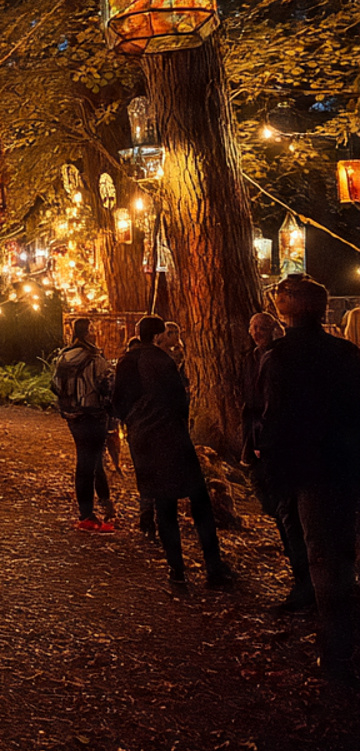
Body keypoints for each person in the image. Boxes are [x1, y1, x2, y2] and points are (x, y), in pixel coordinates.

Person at [259, 275, 360, 683]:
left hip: (309, 469)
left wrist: (271, 472)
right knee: (343, 550)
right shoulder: (346, 353)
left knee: (321, 554)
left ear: (288, 307)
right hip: (346, 465)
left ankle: (336, 651)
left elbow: (274, 419)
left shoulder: (279, 357)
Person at [112, 315, 233, 594]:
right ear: (157, 337)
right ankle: (213, 567)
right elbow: (180, 401)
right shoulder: (162, 362)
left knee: (163, 505)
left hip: (142, 440)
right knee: (199, 500)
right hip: (170, 437)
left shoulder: (125, 361)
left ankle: (176, 571)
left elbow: (117, 401)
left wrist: (134, 421)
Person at [240, 310, 310, 611]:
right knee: (275, 507)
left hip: (273, 445)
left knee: (289, 515)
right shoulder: (251, 358)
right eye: (254, 327)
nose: (257, 332)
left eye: (263, 327)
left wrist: (264, 442)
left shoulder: (278, 359)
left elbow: (271, 405)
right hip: (259, 441)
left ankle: (305, 585)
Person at [51, 318, 115, 532]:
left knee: (88, 459)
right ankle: (87, 513)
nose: (95, 332)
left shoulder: (64, 356)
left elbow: (54, 385)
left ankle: (99, 505)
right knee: (90, 462)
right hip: (93, 414)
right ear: (88, 332)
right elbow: (106, 385)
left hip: (73, 415)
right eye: (93, 329)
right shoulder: (94, 358)